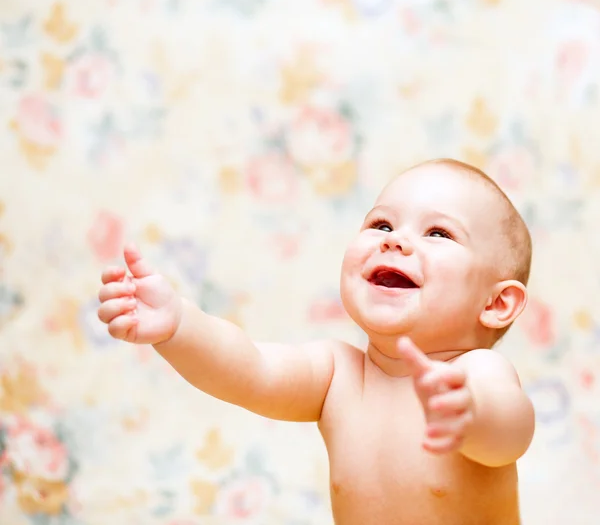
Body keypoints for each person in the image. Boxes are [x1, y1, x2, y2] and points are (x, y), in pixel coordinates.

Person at [97, 158, 535, 525]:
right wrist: (179, 325)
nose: (395, 241)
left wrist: (472, 415)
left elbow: (511, 434)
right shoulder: (338, 376)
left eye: (438, 233)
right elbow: (250, 371)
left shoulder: (474, 376)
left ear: (496, 304)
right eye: (381, 224)